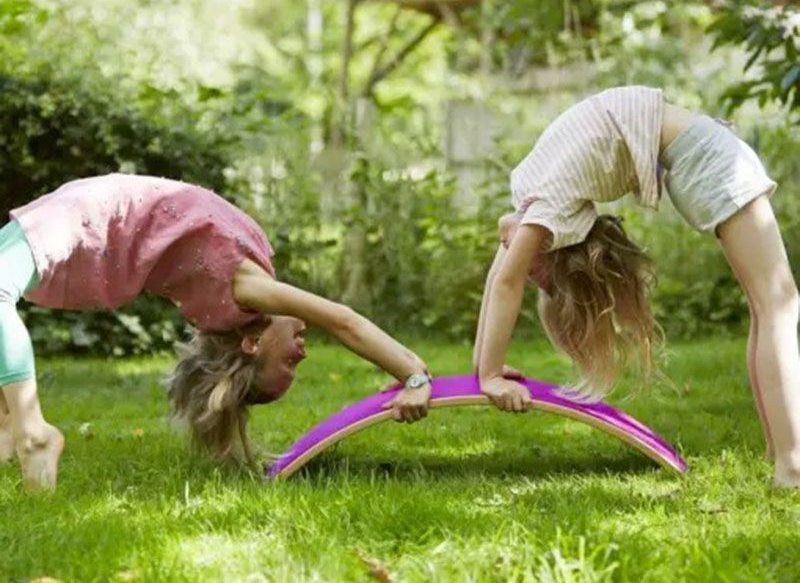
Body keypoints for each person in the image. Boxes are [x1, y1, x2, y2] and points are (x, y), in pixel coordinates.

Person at [0, 174, 432, 490]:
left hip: (92, 216)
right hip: (94, 209)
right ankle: (16, 429)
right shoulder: (252, 288)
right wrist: (410, 372)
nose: (304, 354)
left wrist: (412, 374)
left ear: (253, 342)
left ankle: (23, 430)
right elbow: (343, 320)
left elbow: (343, 321)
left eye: (289, 362)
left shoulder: (248, 294)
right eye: (295, 361)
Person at [472, 85, 800, 487]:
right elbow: (501, 276)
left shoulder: (540, 204)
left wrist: (488, 372)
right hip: (700, 153)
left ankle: (783, 456)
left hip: (703, 154)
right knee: (777, 306)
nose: (529, 275)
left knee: (772, 306)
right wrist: (484, 370)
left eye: (544, 284)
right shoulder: (538, 203)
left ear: (554, 249)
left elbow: (504, 282)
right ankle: (791, 464)